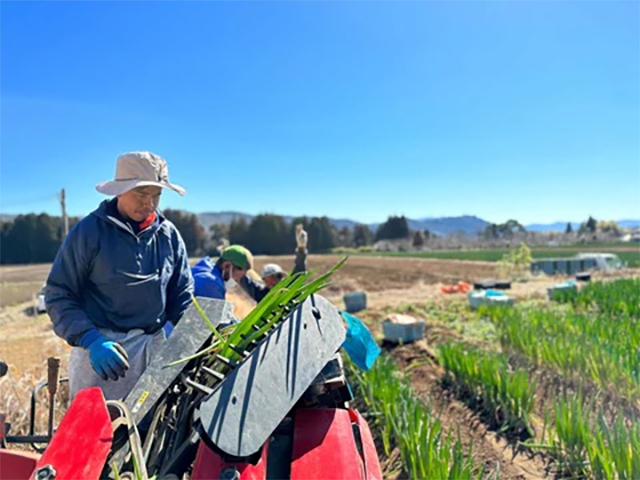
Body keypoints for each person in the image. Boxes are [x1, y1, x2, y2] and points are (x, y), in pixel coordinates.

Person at [45, 152, 194, 401]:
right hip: (101, 355)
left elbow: (182, 298)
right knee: (97, 432)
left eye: (156, 195)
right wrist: (92, 340)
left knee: (149, 434)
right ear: (120, 191)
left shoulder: (167, 236)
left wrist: (206, 333)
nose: (149, 203)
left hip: (152, 351)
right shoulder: (89, 232)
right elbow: (59, 295)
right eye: (141, 194)